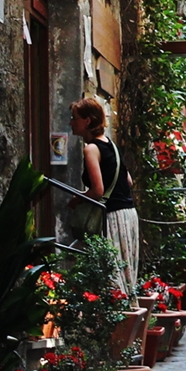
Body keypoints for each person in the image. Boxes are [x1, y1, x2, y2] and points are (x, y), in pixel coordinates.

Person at [70, 97, 139, 294]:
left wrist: (77, 199)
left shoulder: (91, 149)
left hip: (112, 218)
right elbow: (129, 181)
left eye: (74, 118)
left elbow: (98, 190)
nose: (71, 122)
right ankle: (129, 315)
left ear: (87, 121)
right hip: (128, 215)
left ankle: (116, 321)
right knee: (124, 273)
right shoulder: (111, 145)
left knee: (111, 275)